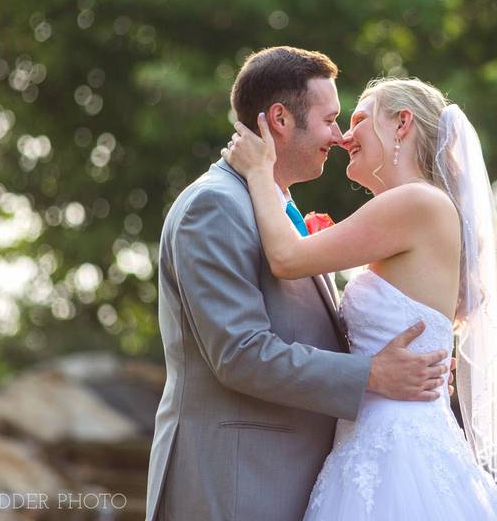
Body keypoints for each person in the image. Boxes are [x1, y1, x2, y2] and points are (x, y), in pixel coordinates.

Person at [145, 48, 451, 521]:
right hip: (236, 484)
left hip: (308, 478)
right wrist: (373, 374)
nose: (339, 134)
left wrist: (423, 358)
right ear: (281, 119)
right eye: (330, 119)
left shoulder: (275, 209)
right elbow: (240, 353)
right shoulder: (216, 207)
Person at [222, 76, 497, 520]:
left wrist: (258, 171)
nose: (344, 136)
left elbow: (286, 258)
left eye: (360, 119)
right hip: (375, 437)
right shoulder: (422, 208)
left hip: (397, 450)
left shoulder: (415, 203)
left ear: (402, 124)